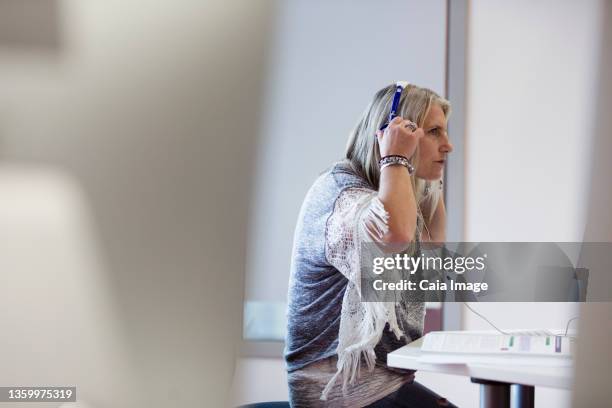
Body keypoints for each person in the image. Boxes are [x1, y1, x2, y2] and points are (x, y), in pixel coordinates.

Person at [284, 82, 456, 407]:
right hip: (337, 391)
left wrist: (428, 178)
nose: (448, 145)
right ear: (394, 130)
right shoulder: (340, 193)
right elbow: (394, 238)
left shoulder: (393, 198)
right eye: (435, 132)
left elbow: (431, 260)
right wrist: (394, 156)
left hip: (384, 383)